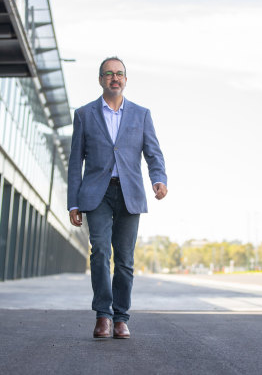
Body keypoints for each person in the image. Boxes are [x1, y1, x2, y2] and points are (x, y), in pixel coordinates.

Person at [68, 56, 167, 339]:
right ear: (100, 79)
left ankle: (121, 317)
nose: (115, 78)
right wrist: (73, 203)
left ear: (125, 79)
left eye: (120, 74)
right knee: (100, 251)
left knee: (124, 259)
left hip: (129, 193)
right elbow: (75, 162)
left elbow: (153, 153)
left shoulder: (141, 114)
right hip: (95, 193)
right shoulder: (84, 114)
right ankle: (103, 315)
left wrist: (158, 179)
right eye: (109, 74)